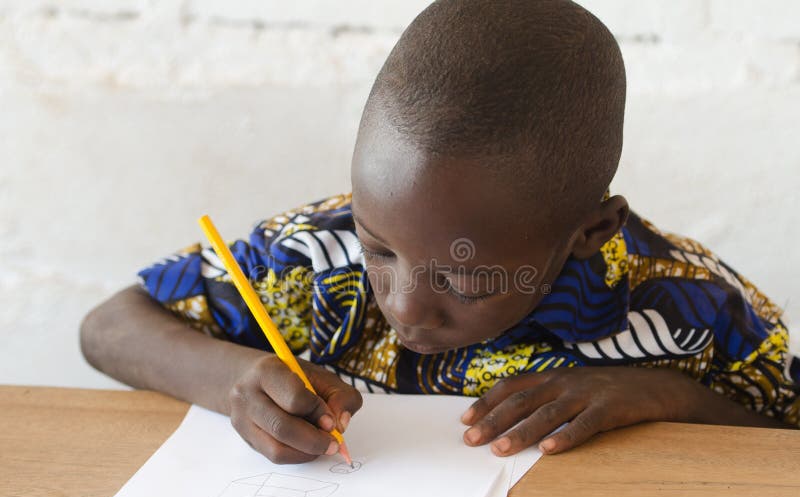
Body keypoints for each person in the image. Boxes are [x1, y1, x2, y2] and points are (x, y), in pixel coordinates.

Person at [80, 0, 799, 464]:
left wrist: (666, 397)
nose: (403, 305)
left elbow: (784, 439)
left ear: (590, 232)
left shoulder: (687, 305)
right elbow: (109, 326)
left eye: (462, 278)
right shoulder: (311, 253)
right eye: (380, 248)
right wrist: (231, 379)